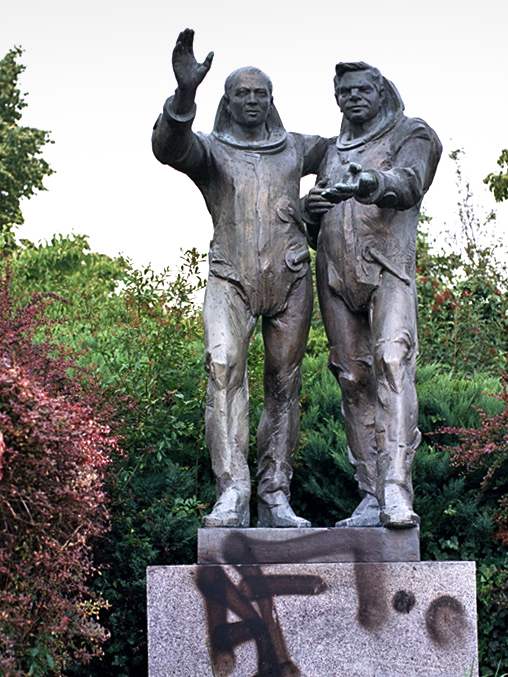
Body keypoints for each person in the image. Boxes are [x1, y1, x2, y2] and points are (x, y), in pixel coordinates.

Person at [152, 29, 329, 528]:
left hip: (291, 278)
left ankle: (275, 495)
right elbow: (169, 146)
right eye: (241, 94)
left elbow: (346, 150)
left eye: (260, 94)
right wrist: (185, 92)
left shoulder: (296, 148)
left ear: (272, 101)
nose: (251, 101)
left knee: (284, 384)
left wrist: (322, 208)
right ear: (226, 102)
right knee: (222, 368)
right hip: (230, 276)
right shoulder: (211, 151)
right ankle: (232, 491)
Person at [305, 62, 442, 529]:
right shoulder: (330, 149)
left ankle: (396, 489)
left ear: (381, 92)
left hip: (388, 271)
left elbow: (410, 181)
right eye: (344, 91)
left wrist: (374, 182)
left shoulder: (413, 132)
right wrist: (311, 211)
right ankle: (369, 493)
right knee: (351, 378)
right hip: (335, 275)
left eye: (363, 89)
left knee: (393, 363)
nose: (353, 97)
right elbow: (315, 222)